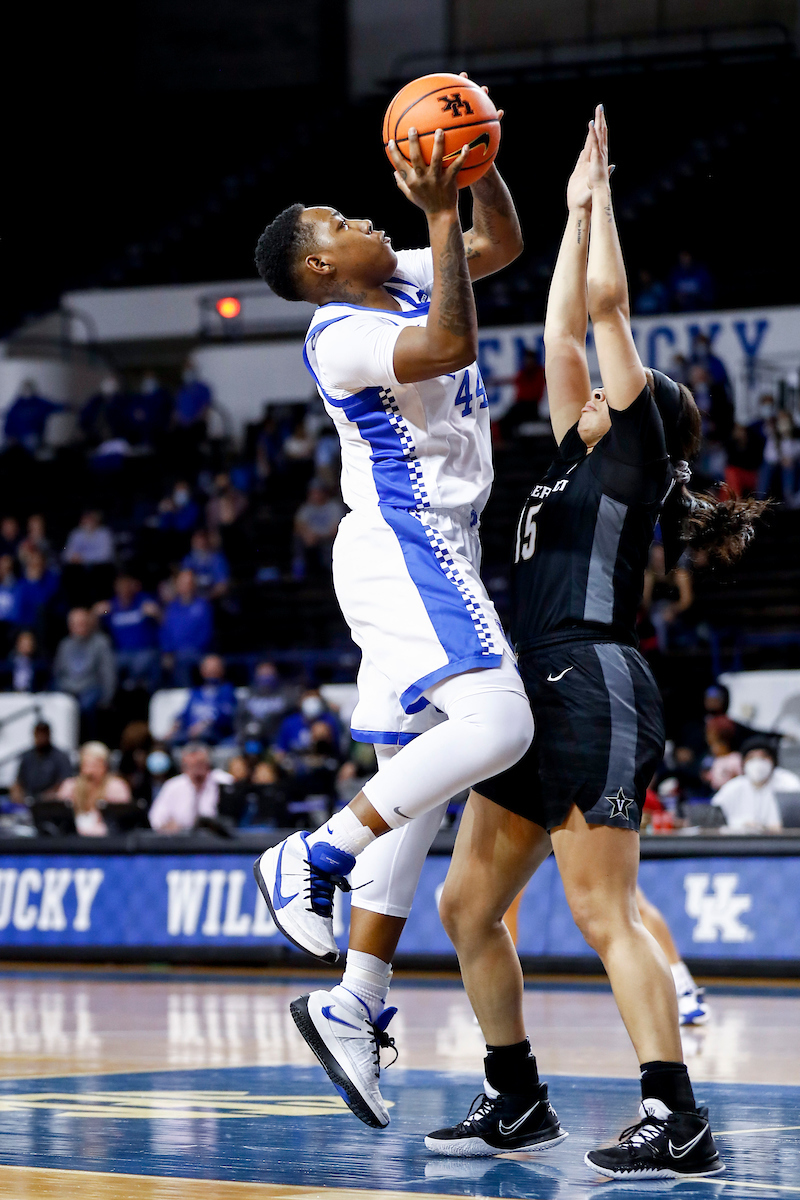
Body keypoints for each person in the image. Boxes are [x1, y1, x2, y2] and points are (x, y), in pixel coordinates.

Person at [427, 109, 763, 1178]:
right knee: (467, 904)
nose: (587, 388)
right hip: (532, 687)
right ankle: (514, 1098)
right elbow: (559, 335)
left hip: (594, 678)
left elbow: (605, 310)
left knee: (598, 906)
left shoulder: (630, 459)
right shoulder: (576, 453)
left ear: (639, 415)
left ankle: (677, 1114)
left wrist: (599, 196)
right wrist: (567, 218)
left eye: (618, 391)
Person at [252, 79, 535, 1128]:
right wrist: (428, 210)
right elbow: (454, 346)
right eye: (341, 222)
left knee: (409, 798)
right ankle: (310, 853)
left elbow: (498, 243)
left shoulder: (408, 275)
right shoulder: (339, 332)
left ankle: (352, 1003)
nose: (364, 217)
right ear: (319, 266)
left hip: (424, 547)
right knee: (498, 726)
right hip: (407, 545)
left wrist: (474, 156)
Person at [711, 737, 798, 832]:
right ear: (744, 763)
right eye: (751, 757)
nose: (757, 762)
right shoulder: (733, 787)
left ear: (773, 760)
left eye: (763, 757)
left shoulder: (789, 783)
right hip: (740, 843)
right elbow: (712, 817)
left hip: (782, 843)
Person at [53, 608, 117, 735]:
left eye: (82, 623)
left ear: (89, 623)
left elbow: (108, 673)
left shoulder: (100, 642)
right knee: (58, 705)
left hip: (91, 687)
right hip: (68, 688)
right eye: (75, 624)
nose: (79, 627)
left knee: (86, 706)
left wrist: (107, 698)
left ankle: (89, 741)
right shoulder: (65, 645)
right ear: (70, 626)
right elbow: (57, 672)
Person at [148, 742, 233, 833]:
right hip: (182, 840)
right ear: (184, 767)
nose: (197, 769)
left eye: (200, 764)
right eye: (192, 765)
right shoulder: (173, 786)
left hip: (217, 838)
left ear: (208, 764)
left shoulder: (223, 781)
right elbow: (155, 818)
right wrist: (166, 825)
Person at [97, 574, 161, 693]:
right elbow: (101, 613)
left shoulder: (143, 601)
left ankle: (133, 684)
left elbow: (160, 618)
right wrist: (97, 611)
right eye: (121, 587)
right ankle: (110, 698)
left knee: (142, 662)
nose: (124, 590)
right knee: (109, 664)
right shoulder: (112, 606)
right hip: (121, 652)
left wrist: (155, 612)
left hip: (144, 649)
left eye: (127, 586)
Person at [56, 741, 131, 836]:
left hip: (106, 843)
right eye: (86, 765)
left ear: (106, 766)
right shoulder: (70, 786)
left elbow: (121, 822)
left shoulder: (116, 787)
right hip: (72, 841)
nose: (89, 771)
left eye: (95, 765)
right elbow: (58, 817)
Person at [159, 569, 213, 686]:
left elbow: (206, 633)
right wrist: (167, 652)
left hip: (199, 652)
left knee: (183, 660)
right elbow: (165, 633)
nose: (186, 586)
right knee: (163, 662)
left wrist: (193, 648)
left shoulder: (203, 606)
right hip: (176, 654)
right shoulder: (171, 608)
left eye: (189, 583)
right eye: (183, 583)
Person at [169, 653, 236, 745]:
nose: (211, 671)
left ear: (222, 670)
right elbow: (185, 714)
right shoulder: (195, 692)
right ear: (202, 670)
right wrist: (175, 725)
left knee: (204, 735)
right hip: (189, 736)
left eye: (215, 667)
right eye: (208, 667)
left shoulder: (226, 691)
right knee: (169, 741)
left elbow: (226, 715)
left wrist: (203, 725)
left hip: (214, 736)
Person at [292, 481, 345, 578]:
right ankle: (298, 576)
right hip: (310, 540)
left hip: (328, 539)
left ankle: (332, 576)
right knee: (297, 541)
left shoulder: (334, 507)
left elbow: (336, 529)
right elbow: (298, 526)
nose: (314, 495)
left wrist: (318, 536)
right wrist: (307, 535)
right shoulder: (306, 508)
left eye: (317, 492)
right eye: (312, 492)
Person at [11, 721, 72, 804]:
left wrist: (43, 798)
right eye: (38, 733)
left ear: (49, 734)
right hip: (27, 800)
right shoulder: (27, 756)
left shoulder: (60, 756)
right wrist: (18, 794)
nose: (41, 737)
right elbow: (18, 782)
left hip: (51, 802)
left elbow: (65, 783)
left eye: (44, 733)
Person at [3, 381, 65, 453]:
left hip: (34, 437)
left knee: (31, 441)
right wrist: (9, 435)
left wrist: (66, 407)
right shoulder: (17, 405)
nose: (27, 391)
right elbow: (9, 421)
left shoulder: (39, 403)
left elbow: (54, 406)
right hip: (16, 438)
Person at [181, 529, 230, 599]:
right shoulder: (189, 559)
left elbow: (223, 585)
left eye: (201, 540)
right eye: (196, 541)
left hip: (214, 599)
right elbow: (184, 582)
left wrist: (207, 597)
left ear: (207, 541)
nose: (199, 544)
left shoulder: (217, 558)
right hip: (194, 598)